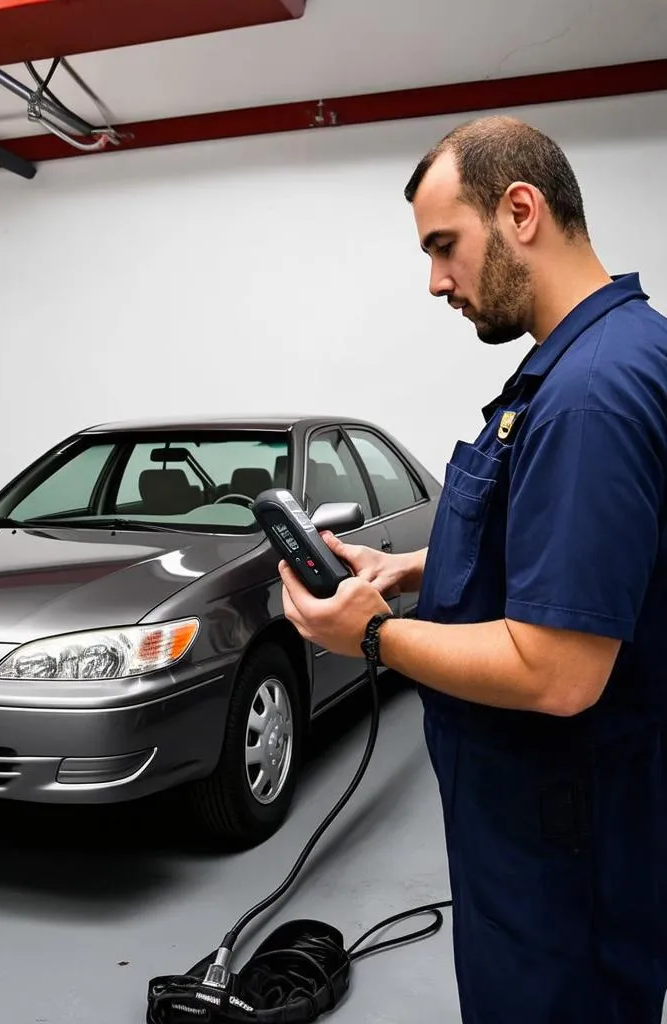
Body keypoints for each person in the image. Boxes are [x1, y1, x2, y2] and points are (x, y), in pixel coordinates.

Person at [279, 114, 667, 1024]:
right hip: (541, 827)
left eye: (444, 246)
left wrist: (368, 632)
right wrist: (406, 569)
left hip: (561, 852)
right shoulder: (588, 361)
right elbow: (547, 545)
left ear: (521, 211)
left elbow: (560, 670)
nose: (435, 281)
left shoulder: (590, 395)